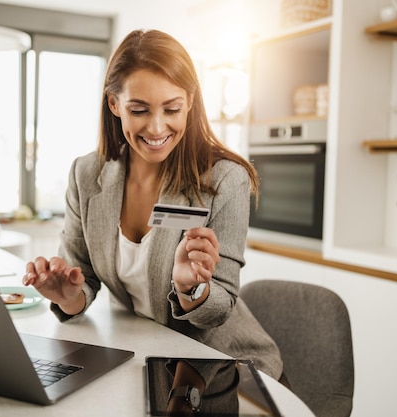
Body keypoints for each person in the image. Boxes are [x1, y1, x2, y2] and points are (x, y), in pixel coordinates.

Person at [23, 29, 283, 382]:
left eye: (172, 108)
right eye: (139, 110)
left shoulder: (225, 179)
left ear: (190, 102)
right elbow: (80, 276)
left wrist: (192, 289)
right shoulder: (87, 174)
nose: (157, 127)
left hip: (224, 365)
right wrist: (68, 296)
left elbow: (221, 307)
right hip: (149, 358)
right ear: (114, 104)